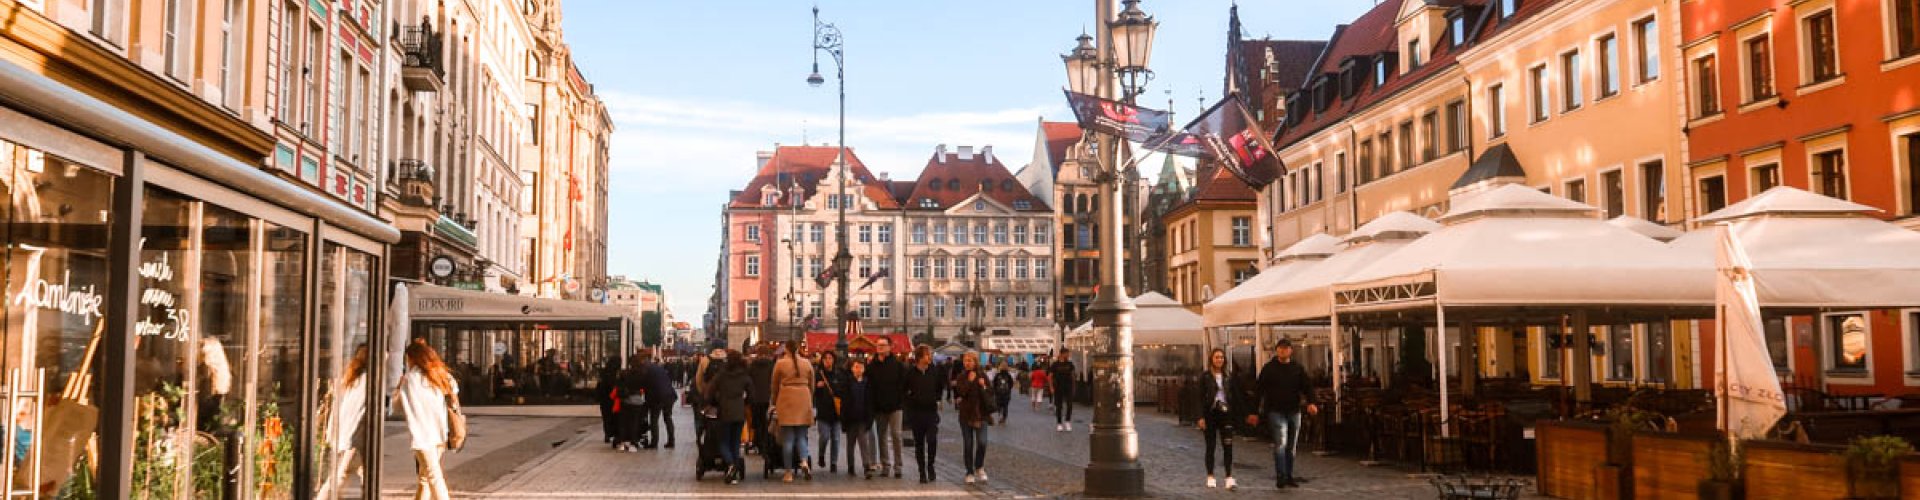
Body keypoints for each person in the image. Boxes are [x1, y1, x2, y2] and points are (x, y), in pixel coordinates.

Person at [1251, 338, 1316, 489]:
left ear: (1290, 351)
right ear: (1276, 350)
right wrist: (1254, 411)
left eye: (1286, 348)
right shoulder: (1269, 368)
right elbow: (1258, 390)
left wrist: (1311, 402)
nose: (1283, 351)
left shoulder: (1297, 368)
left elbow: (1308, 386)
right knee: (1281, 444)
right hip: (1275, 411)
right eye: (1280, 348)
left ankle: (1289, 475)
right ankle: (1281, 476)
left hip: (1294, 410)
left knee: (1291, 446)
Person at [396, 339, 458, 500]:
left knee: (434, 476)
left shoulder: (410, 379)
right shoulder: (441, 375)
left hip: (422, 436)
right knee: (425, 477)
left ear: (412, 358)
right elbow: (455, 398)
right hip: (440, 433)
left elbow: (396, 408)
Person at [1197, 348, 1246, 490]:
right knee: (1210, 446)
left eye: (1222, 358)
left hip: (1226, 414)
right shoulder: (1205, 377)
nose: (1219, 360)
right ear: (1211, 359)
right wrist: (1200, 416)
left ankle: (1229, 477)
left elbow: (1235, 396)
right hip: (1210, 414)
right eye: (1217, 357)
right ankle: (1210, 475)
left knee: (1228, 446)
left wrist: (1242, 414)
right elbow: (1199, 397)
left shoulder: (1228, 377)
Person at [770, 340, 816, 482]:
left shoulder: (780, 363)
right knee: (802, 437)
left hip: (787, 399)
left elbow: (774, 385)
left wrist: (775, 401)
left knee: (788, 439)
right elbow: (812, 384)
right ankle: (804, 461)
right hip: (803, 397)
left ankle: (788, 472)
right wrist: (809, 398)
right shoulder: (806, 363)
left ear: (786, 349)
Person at [902, 346, 946, 483]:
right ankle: (922, 471)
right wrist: (910, 401)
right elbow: (904, 390)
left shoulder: (934, 371)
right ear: (920, 357)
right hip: (916, 413)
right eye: (928, 355)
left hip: (931, 412)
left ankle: (930, 465)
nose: (930, 357)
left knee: (932, 440)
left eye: (930, 355)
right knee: (919, 444)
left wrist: (938, 399)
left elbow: (940, 386)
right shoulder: (910, 372)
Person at [951, 351, 995, 484]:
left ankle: (979, 466)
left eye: (970, 360)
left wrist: (984, 386)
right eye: (965, 360)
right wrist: (970, 382)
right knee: (968, 444)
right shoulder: (961, 376)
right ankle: (969, 472)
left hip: (981, 414)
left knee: (982, 442)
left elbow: (991, 392)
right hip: (966, 415)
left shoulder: (983, 375)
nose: (967, 363)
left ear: (975, 362)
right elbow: (961, 392)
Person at [709, 350, 752, 485]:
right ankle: (734, 474)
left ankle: (731, 464)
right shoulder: (743, 375)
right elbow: (752, 393)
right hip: (739, 411)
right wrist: (745, 402)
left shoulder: (721, 375)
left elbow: (710, 391)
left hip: (725, 410)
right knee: (735, 443)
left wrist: (713, 402)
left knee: (723, 441)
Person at [866, 338, 906, 478]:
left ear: (890, 347)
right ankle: (885, 465)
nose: (880, 347)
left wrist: (899, 399)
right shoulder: (871, 366)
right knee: (881, 436)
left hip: (895, 407)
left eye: (883, 345)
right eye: (878, 345)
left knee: (896, 435)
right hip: (879, 408)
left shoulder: (898, 365)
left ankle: (898, 466)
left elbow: (903, 385)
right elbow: (869, 387)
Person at [840, 357, 877, 479]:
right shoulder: (847, 382)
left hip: (863, 418)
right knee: (850, 444)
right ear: (851, 369)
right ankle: (851, 466)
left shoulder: (867, 383)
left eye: (861, 367)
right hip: (851, 419)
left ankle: (866, 466)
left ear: (864, 369)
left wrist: (870, 418)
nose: (858, 369)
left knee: (863, 443)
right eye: (856, 367)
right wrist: (843, 420)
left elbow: (870, 402)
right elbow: (844, 403)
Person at [812, 351, 844, 473]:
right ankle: (821, 455)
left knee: (836, 439)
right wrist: (817, 387)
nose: (828, 361)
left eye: (830, 358)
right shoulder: (818, 374)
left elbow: (842, 389)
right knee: (824, 437)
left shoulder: (838, 374)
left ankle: (834, 463)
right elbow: (812, 392)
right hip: (823, 412)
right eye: (825, 358)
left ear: (834, 360)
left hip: (836, 412)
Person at [643, 351, 678, 448]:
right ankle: (671, 441)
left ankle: (654, 443)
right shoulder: (658, 367)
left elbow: (647, 388)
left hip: (658, 397)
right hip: (670, 395)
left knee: (654, 419)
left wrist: (647, 403)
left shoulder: (647, 371)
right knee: (668, 418)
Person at [747, 345, 776, 455]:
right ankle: (766, 443)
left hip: (755, 398)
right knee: (767, 422)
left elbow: (748, 381)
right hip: (768, 398)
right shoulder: (772, 365)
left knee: (757, 422)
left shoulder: (752, 366)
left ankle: (757, 442)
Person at [594, 355, 622, 444]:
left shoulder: (604, 372)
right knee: (614, 417)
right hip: (613, 398)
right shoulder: (616, 374)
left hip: (604, 398)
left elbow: (600, 385)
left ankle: (607, 434)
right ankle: (614, 434)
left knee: (606, 417)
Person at [1049, 350, 1077, 431]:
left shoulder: (1070, 364)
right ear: (1061, 354)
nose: (1068, 355)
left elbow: (1073, 376)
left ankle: (1067, 421)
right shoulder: (1055, 364)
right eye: (1067, 354)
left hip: (1068, 387)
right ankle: (1059, 423)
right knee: (1059, 406)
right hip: (1058, 387)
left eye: (1068, 354)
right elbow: (1050, 376)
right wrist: (1051, 387)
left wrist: (1074, 387)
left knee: (1069, 405)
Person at [990, 360, 1015, 425]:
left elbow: (994, 384)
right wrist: (1008, 390)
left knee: (999, 406)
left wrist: (995, 391)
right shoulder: (1008, 375)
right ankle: (1003, 419)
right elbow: (1011, 384)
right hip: (1006, 394)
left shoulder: (997, 375)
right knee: (1005, 406)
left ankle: (1000, 416)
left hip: (998, 394)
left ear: (1000, 367)